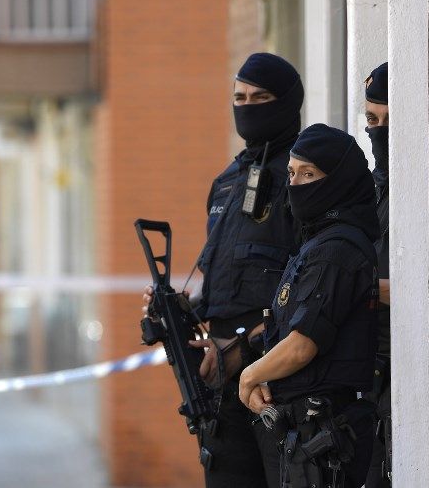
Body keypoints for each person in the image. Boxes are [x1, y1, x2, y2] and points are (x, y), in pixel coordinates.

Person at [142, 52, 303, 488]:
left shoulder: (303, 175)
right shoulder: (228, 182)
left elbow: (312, 282)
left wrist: (247, 348)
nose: (248, 106)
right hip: (221, 378)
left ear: (287, 102)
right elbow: (226, 277)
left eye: (261, 97)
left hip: (278, 376)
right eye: (240, 97)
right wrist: (182, 309)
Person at [237, 123, 380, 488]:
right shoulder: (316, 244)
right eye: (291, 172)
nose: (296, 183)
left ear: (337, 181)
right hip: (303, 435)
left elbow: (302, 345)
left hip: (326, 436)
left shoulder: (336, 250)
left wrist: (249, 376)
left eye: (309, 173)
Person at [363, 62, 392, 488]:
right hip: (365, 374)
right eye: (372, 120)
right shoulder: (367, 190)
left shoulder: (427, 187)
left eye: (389, 119)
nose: (379, 130)